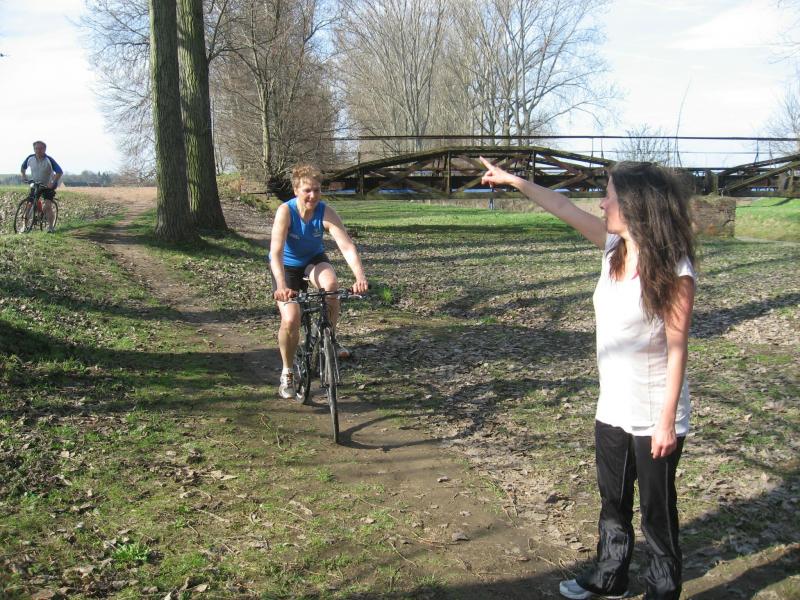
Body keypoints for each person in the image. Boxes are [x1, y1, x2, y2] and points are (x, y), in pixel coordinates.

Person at [480, 158, 695, 600]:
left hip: (655, 411)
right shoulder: (613, 247)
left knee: (657, 510)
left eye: (609, 196)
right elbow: (562, 206)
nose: (601, 204)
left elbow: (678, 349)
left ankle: (662, 588)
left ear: (635, 205)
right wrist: (513, 180)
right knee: (613, 501)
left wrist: (666, 422)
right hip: (613, 405)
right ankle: (611, 577)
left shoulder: (674, 269)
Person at [269, 164, 369, 400]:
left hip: (313, 261)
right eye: (307, 190)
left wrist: (360, 277)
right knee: (291, 319)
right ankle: (287, 371)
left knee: (331, 287)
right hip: (287, 267)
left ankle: (329, 338)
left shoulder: (325, 211)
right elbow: (276, 252)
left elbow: (346, 246)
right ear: (296, 191)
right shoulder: (285, 211)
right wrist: (281, 286)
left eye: (317, 190)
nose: (313, 195)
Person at [20, 140, 63, 233]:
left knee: (47, 205)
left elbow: (59, 172)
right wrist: (23, 176)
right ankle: (24, 226)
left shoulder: (49, 160)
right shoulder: (30, 158)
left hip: (48, 186)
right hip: (36, 184)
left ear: (45, 149)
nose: (38, 150)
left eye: (41, 148)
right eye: (36, 148)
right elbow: (23, 168)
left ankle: (51, 228)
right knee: (29, 204)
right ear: (34, 149)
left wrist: (52, 182)